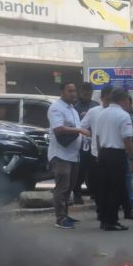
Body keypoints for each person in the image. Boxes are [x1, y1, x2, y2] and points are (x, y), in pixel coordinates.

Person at [92, 88, 133, 231]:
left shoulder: (102, 114)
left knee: (104, 188)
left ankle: (104, 219)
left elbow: (97, 137)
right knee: (115, 189)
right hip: (117, 155)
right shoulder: (123, 115)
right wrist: (132, 159)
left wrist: (99, 154)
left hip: (104, 153)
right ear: (123, 99)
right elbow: (127, 140)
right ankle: (111, 220)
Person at [48, 82, 89, 229]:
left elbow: (77, 128)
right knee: (62, 187)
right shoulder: (56, 108)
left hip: (74, 155)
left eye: (74, 91)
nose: (73, 94)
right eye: (70, 91)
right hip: (61, 155)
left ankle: (65, 214)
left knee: (70, 187)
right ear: (62, 92)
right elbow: (58, 129)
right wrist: (79, 130)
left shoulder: (72, 108)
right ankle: (60, 219)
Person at [79, 86, 112, 218]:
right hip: (96, 154)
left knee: (111, 184)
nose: (111, 99)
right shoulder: (93, 111)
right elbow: (82, 127)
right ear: (103, 97)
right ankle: (101, 209)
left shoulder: (116, 112)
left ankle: (109, 210)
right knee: (98, 185)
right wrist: (89, 137)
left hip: (112, 153)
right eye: (109, 96)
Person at [72, 83, 101, 205]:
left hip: (94, 142)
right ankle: (77, 194)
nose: (87, 96)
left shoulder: (96, 105)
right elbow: (72, 123)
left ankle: (94, 192)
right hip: (81, 143)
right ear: (80, 93)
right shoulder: (75, 106)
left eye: (90, 93)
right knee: (80, 170)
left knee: (94, 170)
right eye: (85, 94)